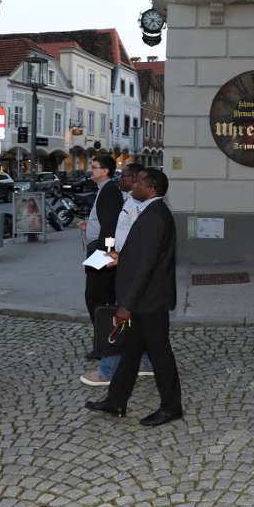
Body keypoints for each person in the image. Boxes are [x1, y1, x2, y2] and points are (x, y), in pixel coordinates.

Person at [84, 168, 182, 426]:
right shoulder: (151, 212)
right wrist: (119, 258)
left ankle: (172, 407)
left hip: (148, 300)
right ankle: (116, 401)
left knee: (160, 355)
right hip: (145, 298)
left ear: (150, 188)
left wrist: (126, 305)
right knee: (130, 352)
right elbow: (140, 255)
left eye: (138, 182)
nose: (132, 184)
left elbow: (146, 265)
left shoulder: (155, 217)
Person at [82, 163, 154, 387]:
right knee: (139, 321)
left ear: (135, 180)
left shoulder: (141, 207)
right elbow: (117, 234)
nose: (119, 179)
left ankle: (108, 370)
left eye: (124, 176)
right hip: (120, 261)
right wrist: (111, 251)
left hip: (127, 267)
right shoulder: (131, 202)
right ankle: (146, 362)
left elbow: (129, 236)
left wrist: (111, 254)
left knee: (118, 316)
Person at [81, 153, 123, 358]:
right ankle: (103, 343)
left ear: (105, 171)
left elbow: (110, 226)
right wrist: (88, 227)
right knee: (97, 299)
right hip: (100, 250)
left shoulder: (109, 191)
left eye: (95, 167)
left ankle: (104, 345)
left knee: (96, 300)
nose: (92, 170)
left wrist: (106, 254)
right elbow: (103, 222)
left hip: (103, 253)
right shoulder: (105, 190)